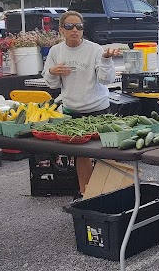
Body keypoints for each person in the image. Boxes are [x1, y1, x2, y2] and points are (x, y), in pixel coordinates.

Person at [42, 10, 120, 196]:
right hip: (72, 110)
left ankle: (107, 192)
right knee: (81, 155)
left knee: (105, 154)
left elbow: (105, 79)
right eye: (69, 26)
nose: (74, 30)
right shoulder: (56, 51)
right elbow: (51, 83)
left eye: (79, 26)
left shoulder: (95, 49)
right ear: (61, 29)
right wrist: (52, 72)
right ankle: (86, 192)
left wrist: (106, 60)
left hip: (98, 109)